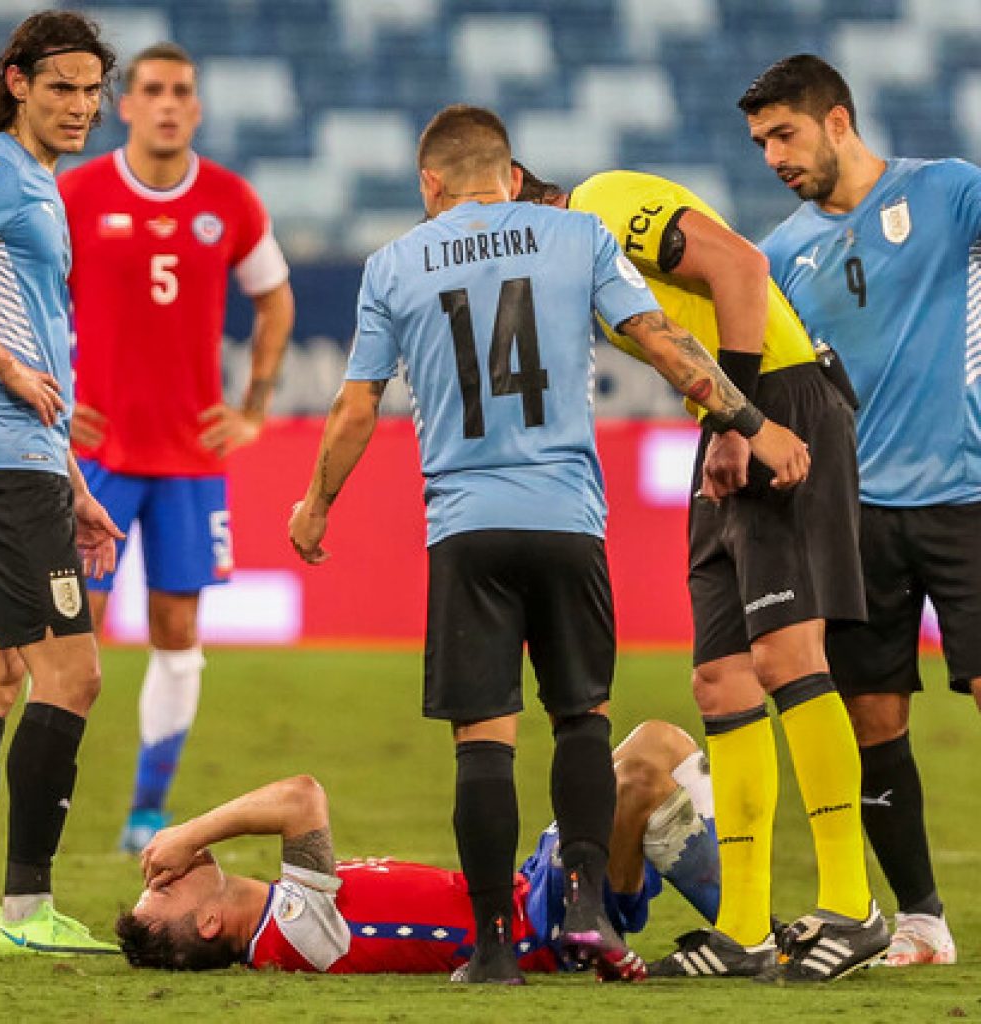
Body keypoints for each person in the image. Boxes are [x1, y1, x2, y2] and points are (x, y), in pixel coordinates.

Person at [287, 104, 809, 984]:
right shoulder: (577, 238)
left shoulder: (391, 264)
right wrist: (750, 424)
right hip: (567, 517)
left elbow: (356, 405)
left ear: (431, 184)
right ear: (509, 173)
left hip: (465, 526)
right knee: (581, 720)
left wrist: (314, 505)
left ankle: (494, 948)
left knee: (483, 740)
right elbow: (663, 343)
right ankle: (586, 909)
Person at [513, 165, 887, 981]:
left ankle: (852, 907)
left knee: (790, 657)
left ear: (517, 183)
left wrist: (739, 420)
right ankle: (747, 928)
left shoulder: (599, 205)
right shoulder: (577, 265)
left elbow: (741, 267)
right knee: (721, 678)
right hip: (725, 419)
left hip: (772, 405)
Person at [738, 52, 973, 968]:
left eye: (784, 135)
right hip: (854, 514)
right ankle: (920, 920)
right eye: (760, 143)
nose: (772, 158)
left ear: (838, 121)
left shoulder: (950, 194)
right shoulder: (779, 255)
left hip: (968, 495)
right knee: (874, 718)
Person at [59, 42, 295, 855]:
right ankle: (46, 801)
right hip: (98, 457)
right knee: (66, 635)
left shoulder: (229, 200)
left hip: (191, 463)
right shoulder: (77, 193)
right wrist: (55, 401)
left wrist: (254, 407)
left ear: (197, 108)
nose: (166, 103)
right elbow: (26, 303)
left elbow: (276, 301)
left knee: (177, 631)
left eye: (181, 91)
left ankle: (145, 814)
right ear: (124, 105)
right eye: (151, 89)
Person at [0, 10, 124, 956]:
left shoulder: (38, 187)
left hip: (4, 457)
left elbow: (35, 347)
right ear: (18, 82)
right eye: (61, 87)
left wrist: (75, 479)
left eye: (92, 91)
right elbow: (20, 358)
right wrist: (14, 377)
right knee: (76, 672)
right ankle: (30, 908)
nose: (80, 106)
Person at [116, 720, 718, 977]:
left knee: (646, 756)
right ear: (210, 921)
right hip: (547, 924)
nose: (164, 873)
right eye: (164, 891)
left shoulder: (285, 912)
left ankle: (742, 924)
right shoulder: (289, 934)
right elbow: (301, 798)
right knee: (642, 767)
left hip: (534, 890)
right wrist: (189, 831)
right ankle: (749, 933)